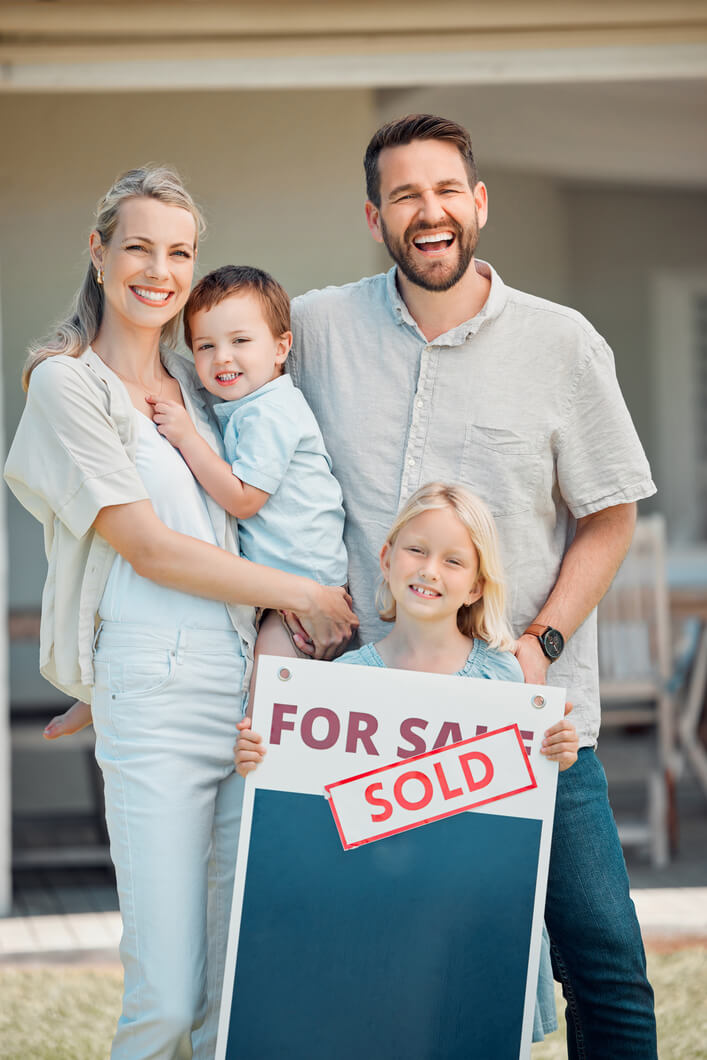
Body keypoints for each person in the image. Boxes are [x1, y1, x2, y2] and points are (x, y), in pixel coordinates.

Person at [286, 115, 658, 1056]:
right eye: (405, 195)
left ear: (478, 204)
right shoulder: (318, 327)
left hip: (525, 713)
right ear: (376, 217)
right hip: (360, 714)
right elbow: (210, 372)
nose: (430, 211)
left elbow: (608, 514)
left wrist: (540, 649)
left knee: (605, 959)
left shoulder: (561, 342)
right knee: (378, 962)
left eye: (447, 190)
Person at [4, 165, 356, 1060]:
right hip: (157, 692)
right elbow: (147, 549)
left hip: (247, 692)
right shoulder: (66, 385)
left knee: (234, 989)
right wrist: (308, 595)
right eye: (138, 248)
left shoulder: (195, 385)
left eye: (180, 252)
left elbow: (236, 529)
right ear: (98, 252)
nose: (159, 270)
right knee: (165, 994)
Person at [236, 480, 579, 1044]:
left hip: (471, 927)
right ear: (387, 560)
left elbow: (517, 804)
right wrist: (258, 757)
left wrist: (556, 749)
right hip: (373, 927)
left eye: (453, 560)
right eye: (417, 550)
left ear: (475, 586)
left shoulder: (506, 681)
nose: (430, 570)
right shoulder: (337, 688)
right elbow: (305, 815)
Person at [46, 263, 348, 734]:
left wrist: (188, 438)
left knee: (266, 695)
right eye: (205, 346)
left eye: (240, 341)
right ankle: (98, 698)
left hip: (300, 586)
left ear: (281, 348)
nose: (222, 358)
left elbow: (244, 499)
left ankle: (258, 761)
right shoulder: (237, 407)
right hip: (265, 585)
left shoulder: (272, 411)